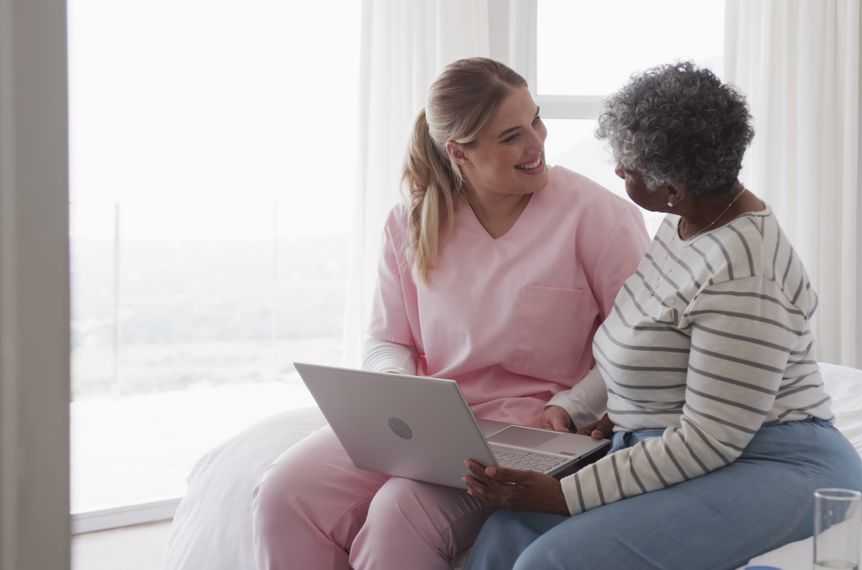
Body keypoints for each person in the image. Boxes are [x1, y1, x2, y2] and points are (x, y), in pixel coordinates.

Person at [463, 61, 862, 570]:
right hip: (674, 444)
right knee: (507, 533)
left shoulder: (743, 271)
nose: (617, 171)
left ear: (673, 186)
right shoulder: (686, 225)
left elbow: (708, 440)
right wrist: (591, 410)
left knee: (553, 562)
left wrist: (565, 495)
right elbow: (645, 345)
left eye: (628, 167)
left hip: (771, 460)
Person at [251, 57, 649, 570]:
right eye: (511, 136)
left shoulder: (600, 216)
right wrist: (399, 391)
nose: (536, 143)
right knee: (283, 494)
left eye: (536, 119)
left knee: (398, 518)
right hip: (429, 423)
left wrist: (573, 405)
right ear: (460, 152)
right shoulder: (411, 221)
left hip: (533, 427)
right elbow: (386, 340)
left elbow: (639, 348)